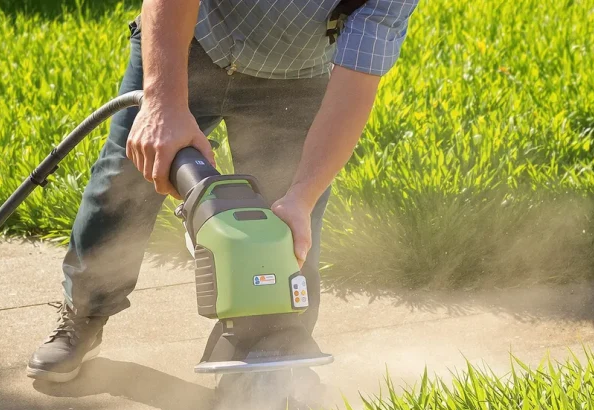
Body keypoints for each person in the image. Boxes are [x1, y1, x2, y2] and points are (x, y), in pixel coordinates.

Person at [27, 0, 419, 383]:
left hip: (294, 75)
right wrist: (162, 104)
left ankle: (268, 351)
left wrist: (302, 194)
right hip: (189, 42)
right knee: (123, 184)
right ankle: (84, 312)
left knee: (284, 234)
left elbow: (356, 83)